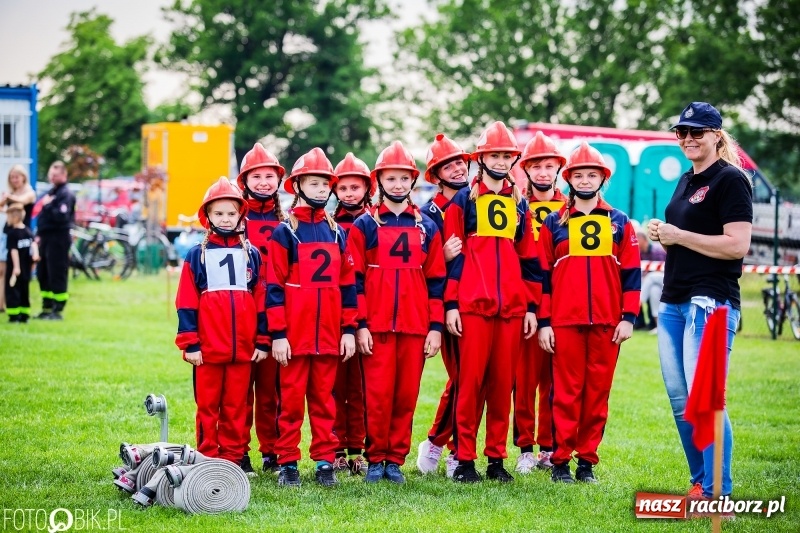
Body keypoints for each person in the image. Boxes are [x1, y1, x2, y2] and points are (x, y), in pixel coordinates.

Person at [648, 102, 752, 500]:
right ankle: (700, 482)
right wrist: (662, 231)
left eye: (697, 132)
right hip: (674, 300)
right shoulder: (686, 180)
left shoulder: (730, 180)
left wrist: (679, 236)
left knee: (704, 399)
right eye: (682, 133)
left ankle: (718, 493)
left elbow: (737, 245)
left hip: (710, 301)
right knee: (680, 399)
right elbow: (683, 230)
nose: (689, 139)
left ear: (716, 136)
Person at [538, 142, 641, 484]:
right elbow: (543, 277)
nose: (584, 180)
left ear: (602, 178)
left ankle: (587, 463)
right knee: (565, 393)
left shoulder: (619, 222)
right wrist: (545, 322)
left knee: (597, 395)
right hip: (565, 322)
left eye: (591, 174)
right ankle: (561, 462)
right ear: (568, 179)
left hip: (607, 323)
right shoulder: (554, 222)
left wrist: (628, 317)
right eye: (578, 175)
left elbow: (631, 273)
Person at [444, 121, 541, 483]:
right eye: (494, 155)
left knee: (502, 386)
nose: (500, 161)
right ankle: (465, 459)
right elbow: (452, 259)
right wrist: (451, 304)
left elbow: (530, 261)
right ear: (481, 159)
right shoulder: (461, 201)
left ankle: (497, 459)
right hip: (472, 306)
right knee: (469, 385)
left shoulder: (520, 204)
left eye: (506, 156)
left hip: (512, 310)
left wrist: (531, 307)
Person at [347, 141, 445, 484]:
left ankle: (395, 460)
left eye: (404, 178)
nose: (398, 185)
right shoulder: (364, 225)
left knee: (406, 396)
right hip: (375, 326)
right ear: (380, 181)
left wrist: (435, 327)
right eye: (391, 179)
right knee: (376, 397)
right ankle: (375, 459)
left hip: (415, 326)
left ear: (413, 182)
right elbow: (354, 279)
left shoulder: (426, 227)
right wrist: (359, 325)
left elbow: (436, 280)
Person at [267, 147, 357, 488]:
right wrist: (278, 334)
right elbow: (273, 286)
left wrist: (348, 330)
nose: (320, 190)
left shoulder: (337, 232)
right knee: (289, 405)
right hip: (294, 336)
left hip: (329, 336)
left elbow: (347, 285)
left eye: (324, 184)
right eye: (313, 183)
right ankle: (287, 462)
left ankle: (324, 462)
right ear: (297, 186)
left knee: (324, 402)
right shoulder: (285, 232)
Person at [175, 177, 269, 467]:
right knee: (208, 407)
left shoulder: (251, 254)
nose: (225, 219)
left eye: (231, 213)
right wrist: (190, 343)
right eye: (219, 213)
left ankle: (233, 459)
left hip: (242, 349)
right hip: (208, 351)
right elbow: (186, 301)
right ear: (208, 216)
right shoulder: (197, 254)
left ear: (240, 215)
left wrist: (263, 339)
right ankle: (207, 457)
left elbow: (262, 299)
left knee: (237, 406)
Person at [513, 131, 567, 474]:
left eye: (549, 166)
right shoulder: (517, 205)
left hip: (561, 304)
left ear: (558, 169)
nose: (543, 173)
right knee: (524, 378)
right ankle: (525, 448)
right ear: (527, 170)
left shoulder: (569, 207)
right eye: (537, 166)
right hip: (523, 303)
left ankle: (549, 446)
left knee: (553, 381)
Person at [416, 133, 469, 478]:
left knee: (473, 379)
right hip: (445, 305)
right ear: (435, 174)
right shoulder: (426, 215)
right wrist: (440, 255)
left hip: (479, 299)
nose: (458, 168)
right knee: (462, 378)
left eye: (461, 162)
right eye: (449, 164)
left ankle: (450, 446)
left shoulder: (480, 202)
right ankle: (441, 444)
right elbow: (411, 266)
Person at [236, 142, 286, 476]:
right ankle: (239, 452)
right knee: (240, 391)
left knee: (271, 392)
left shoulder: (287, 220)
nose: (264, 181)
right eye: (257, 176)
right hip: (240, 315)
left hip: (276, 312)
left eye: (269, 175)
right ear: (245, 180)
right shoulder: (233, 217)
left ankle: (272, 451)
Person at [331, 152, 374, 476]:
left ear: (366, 188)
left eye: (355, 187)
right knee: (333, 386)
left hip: (365, 313)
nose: (349, 193)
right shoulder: (329, 224)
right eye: (343, 187)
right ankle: (334, 449)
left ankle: (357, 447)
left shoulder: (376, 222)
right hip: (332, 315)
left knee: (359, 387)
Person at [34, 161, 75, 320]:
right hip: (45, 237)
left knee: (56, 271)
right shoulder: (51, 192)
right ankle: (47, 306)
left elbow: (61, 216)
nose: (52, 177)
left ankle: (58, 310)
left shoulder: (65, 194)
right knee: (43, 272)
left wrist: (49, 206)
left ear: (64, 175)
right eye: (51, 174)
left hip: (58, 238)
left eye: (56, 175)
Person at [4, 203, 37, 323]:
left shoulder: (12, 234)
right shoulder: (28, 231)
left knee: (13, 291)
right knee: (24, 291)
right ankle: (24, 316)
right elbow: (34, 245)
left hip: (16, 268)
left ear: (13, 217)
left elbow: (14, 251)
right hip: (26, 268)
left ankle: (14, 316)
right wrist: (36, 256)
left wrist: (16, 267)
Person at [633, 221, 666, 333]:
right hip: (653, 284)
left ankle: (637, 303)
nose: (636, 243)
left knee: (651, 277)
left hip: (667, 280)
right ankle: (657, 326)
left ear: (644, 240)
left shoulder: (659, 251)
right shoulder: (639, 253)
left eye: (638, 240)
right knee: (654, 291)